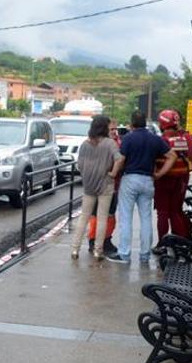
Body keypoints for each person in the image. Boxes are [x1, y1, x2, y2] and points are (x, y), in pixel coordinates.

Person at [108, 111, 177, 264]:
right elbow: (172, 156)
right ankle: (144, 254)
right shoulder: (155, 139)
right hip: (148, 180)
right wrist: (159, 173)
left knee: (126, 218)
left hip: (130, 179)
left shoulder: (128, 139)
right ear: (145, 123)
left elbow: (121, 159)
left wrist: (113, 173)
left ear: (132, 125)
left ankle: (124, 254)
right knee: (146, 218)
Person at [70, 115, 121, 260]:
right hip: (105, 185)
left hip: (89, 185)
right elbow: (119, 159)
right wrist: (113, 173)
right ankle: (98, 250)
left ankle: (75, 249)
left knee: (84, 218)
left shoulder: (85, 144)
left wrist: (87, 174)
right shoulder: (110, 143)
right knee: (102, 218)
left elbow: (79, 165)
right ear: (104, 128)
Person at [152, 110, 192, 252]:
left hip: (164, 181)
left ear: (163, 123)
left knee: (162, 213)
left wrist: (157, 174)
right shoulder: (182, 139)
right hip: (179, 181)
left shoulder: (162, 140)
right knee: (175, 211)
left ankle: (162, 244)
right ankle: (183, 242)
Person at [87, 120, 122, 254]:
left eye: (115, 129)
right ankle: (93, 241)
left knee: (110, 215)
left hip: (114, 186)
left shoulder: (117, 143)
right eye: (111, 129)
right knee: (97, 215)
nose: (114, 131)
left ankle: (106, 240)